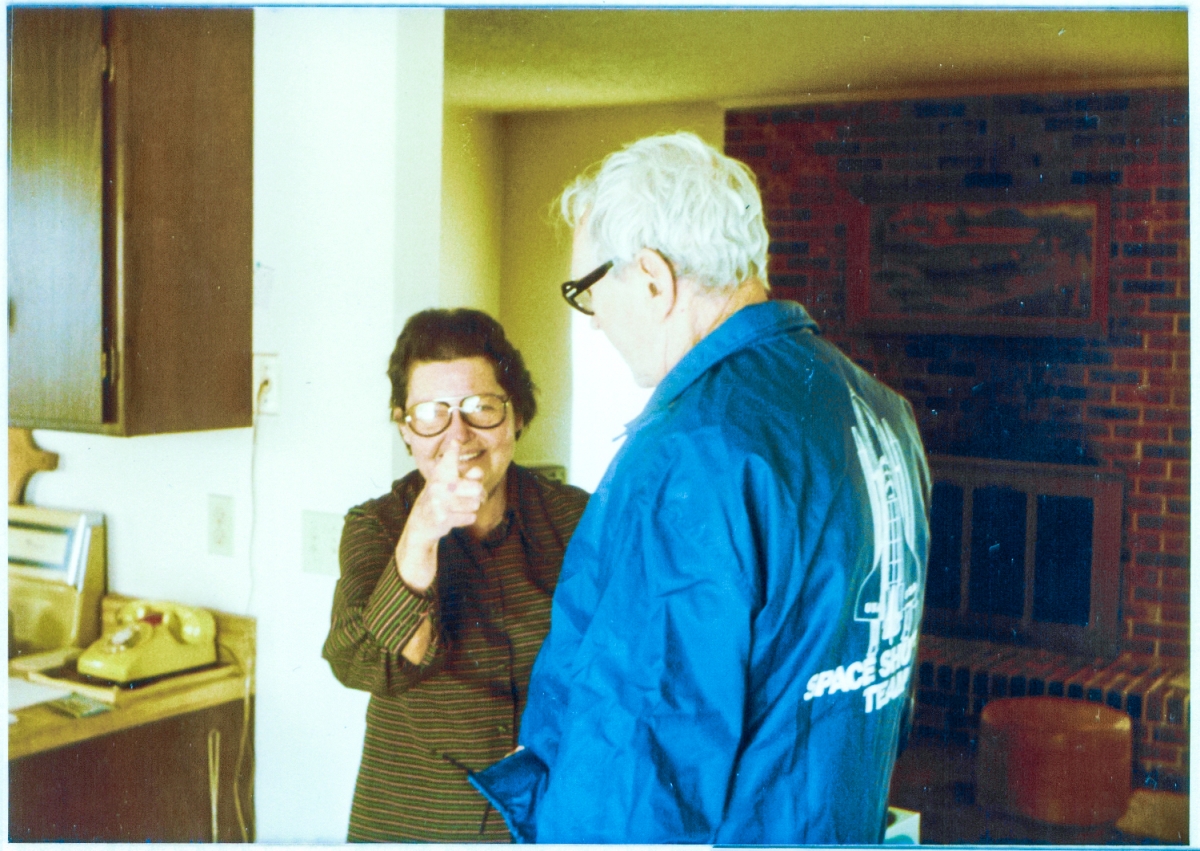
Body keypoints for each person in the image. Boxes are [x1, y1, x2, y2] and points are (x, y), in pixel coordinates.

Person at [469, 133, 932, 844]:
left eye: (588, 293)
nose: (591, 324)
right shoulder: (879, 411)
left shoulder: (689, 455)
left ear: (652, 279)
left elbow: (636, 769)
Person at [322, 308, 589, 842]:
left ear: (516, 417)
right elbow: (363, 665)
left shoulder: (580, 519)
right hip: (417, 825)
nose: (458, 435)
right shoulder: (375, 525)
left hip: (551, 821)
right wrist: (421, 535)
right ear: (406, 430)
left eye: (481, 408)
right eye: (432, 413)